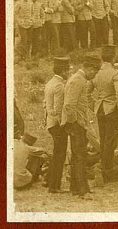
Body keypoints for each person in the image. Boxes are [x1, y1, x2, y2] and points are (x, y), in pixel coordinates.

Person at [62, 53, 102, 199]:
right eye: (95, 71)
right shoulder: (78, 80)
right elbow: (69, 106)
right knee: (80, 157)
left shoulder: (80, 79)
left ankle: (75, 187)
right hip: (76, 124)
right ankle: (82, 190)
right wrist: (74, 124)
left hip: (79, 124)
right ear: (89, 68)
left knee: (78, 156)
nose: (95, 74)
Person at [90, 45, 118, 178]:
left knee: (104, 138)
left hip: (100, 108)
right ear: (113, 57)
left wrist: (93, 105)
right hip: (112, 110)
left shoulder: (97, 72)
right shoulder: (115, 73)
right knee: (111, 140)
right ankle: (106, 169)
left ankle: (104, 166)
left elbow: (88, 91)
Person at [44, 56, 70, 193]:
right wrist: (63, 125)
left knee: (56, 153)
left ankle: (49, 181)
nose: (69, 73)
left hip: (50, 122)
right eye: (67, 70)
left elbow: (47, 105)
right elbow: (58, 109)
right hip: (57, 124)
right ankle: (54, 186)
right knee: (59, 155)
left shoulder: (50, 83)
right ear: (63, 71)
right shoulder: (60, 86)